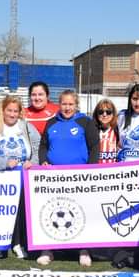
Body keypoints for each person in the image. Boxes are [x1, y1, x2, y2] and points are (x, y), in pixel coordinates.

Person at [37, 90, 99, 267]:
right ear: (59, 104)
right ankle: (48, 250)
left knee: (81, 212)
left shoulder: (85, 122)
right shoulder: (51, 123)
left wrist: (91, 170)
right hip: (54, 179)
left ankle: (84, 250)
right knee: (51, 212)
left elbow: (94, 147)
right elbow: (43, 146)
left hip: (79, 178)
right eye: (64, 104)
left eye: (71, 104)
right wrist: (43, 161)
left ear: (76, 104)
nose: (67, 107)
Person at [0, 95, 41, 261]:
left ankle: (18, 244)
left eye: (16, 111)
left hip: (23, 179)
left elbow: (38, 148)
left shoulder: (28, 128)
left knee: (21, 214)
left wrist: (32, 162)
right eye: (9, 110)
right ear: (3, 110)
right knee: (0, 213)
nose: (13, 114)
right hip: (1, 178)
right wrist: (5, 163)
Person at [93, 99, 119, 163]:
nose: (104, 115)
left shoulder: (118, 131)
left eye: (108, 112)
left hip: (113, 172)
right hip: (96, 171)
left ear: (113, 114)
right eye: (101, 112)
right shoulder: (91, 131)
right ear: (96, 114)